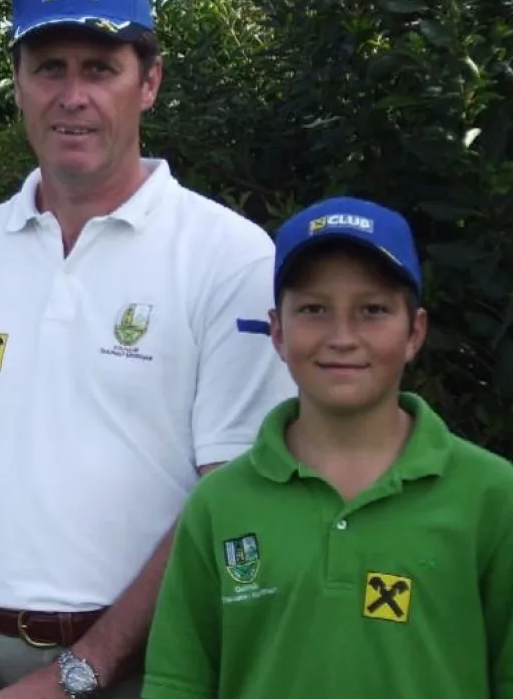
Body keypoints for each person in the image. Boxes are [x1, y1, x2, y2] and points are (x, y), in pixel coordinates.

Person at [0, 0, 294, 699]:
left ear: (149, 82)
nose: (72, 96)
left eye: (100, 69)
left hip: (157, 666)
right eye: (50, 68)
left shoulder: (230, 258)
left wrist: (82, 670)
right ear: (18, 82)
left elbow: (232, 496)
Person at [142, 197, 513, 699]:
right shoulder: (220, 503)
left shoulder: (492, 496)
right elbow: (178, 682)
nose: (342, 337)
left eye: (372, 310)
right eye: (314, 309)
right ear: (277, 331)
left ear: (414, 332)